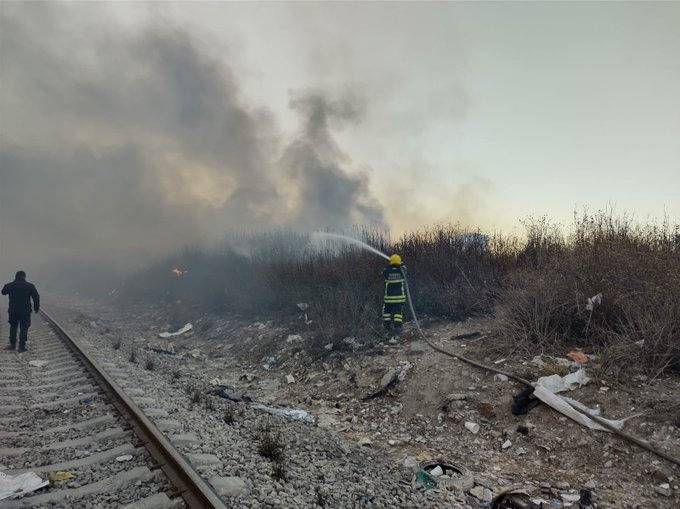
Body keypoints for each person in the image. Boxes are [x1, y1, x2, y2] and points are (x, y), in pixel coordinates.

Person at [2, 271, 40, 353]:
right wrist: (36, 308)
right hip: (25, 311)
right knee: (24, 327)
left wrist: (8, 286)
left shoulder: (10, 285)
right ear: (24, 277)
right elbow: (36, 297)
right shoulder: (30, 286)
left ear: (16, 276)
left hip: (13, 310)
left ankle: (12, 345)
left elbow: (3, 292)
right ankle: (21, 347)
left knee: (13, 327)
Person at [382, 254, 406, 338]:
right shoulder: (402, 270)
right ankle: (398, 329)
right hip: (399, 299)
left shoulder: (387, 271)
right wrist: (401, 265)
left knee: (387, 314)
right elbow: (405, 270)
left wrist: (390, 266)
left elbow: (383, 273)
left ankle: (387, 329)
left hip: (388, 299)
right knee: (398, 315)